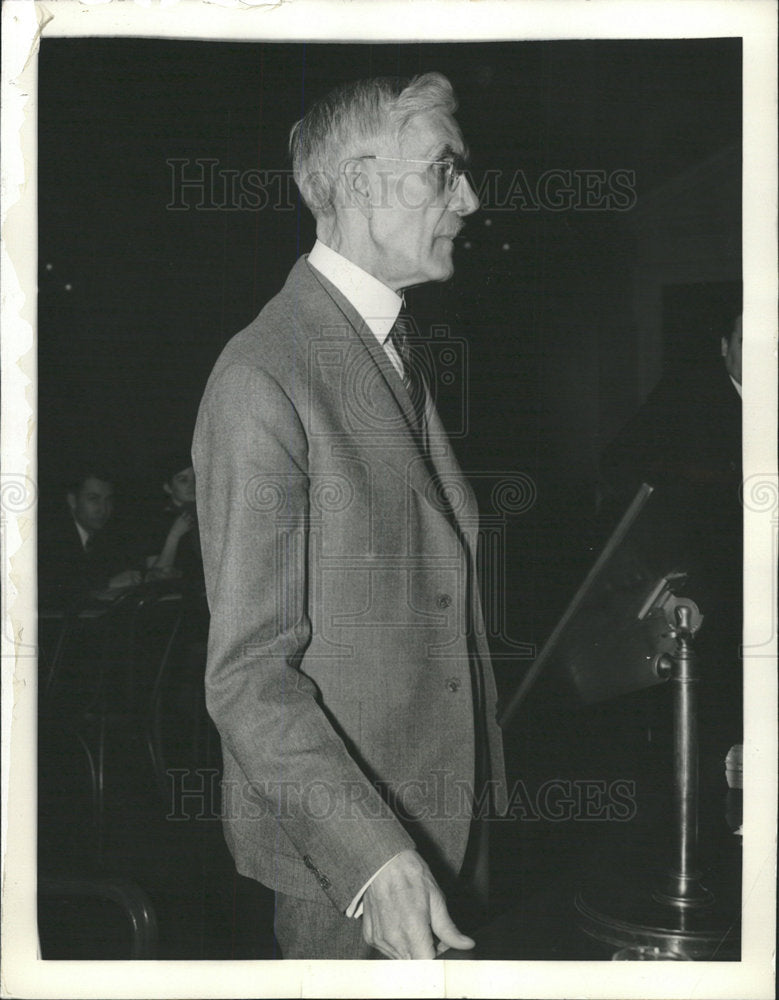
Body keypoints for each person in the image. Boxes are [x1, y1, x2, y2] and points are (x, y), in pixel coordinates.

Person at [193, 72, 507, 960]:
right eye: (444, 170)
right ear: (361, 182)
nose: (470, 199)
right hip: (352, 877)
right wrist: (373, 860)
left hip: (443, 833)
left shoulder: (388, 342)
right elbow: (248, 677)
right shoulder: (263, 378)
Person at [38, 465, 142, 611]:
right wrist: (106, 583)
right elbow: (52, 589)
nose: (103, 508)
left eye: (109, 500)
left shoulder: (108, 535)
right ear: (72, 501)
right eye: (93, 499)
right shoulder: (52, 536)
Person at [144, 457, 203, 589]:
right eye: (183, 480)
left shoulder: (208, 515)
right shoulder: (157, 520)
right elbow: (154, 577)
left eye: (195, 477)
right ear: (168, 487)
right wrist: (175, 535)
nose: (192, 484)